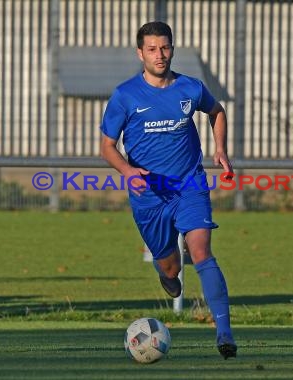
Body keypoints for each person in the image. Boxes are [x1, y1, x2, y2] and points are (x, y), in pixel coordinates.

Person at [100, 21, 237, 359]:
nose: (159, 55)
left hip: (190, 184)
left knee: (202, 251)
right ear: (140, 53)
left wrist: (220, 148)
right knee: (172, 268)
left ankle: (225, 334)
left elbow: (216, 111)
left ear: (172, 49)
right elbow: (106, 146)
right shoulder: (126, 95)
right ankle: (167, 275)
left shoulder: (190, 88)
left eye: (165, 47)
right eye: (152, 49)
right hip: (149, 195)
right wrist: (129, 171)